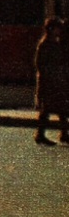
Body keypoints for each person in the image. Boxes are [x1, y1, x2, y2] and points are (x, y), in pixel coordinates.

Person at [33, 17, 69, 145]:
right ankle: (40, 135)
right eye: (57, 28)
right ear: (51, 29)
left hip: (57, 80)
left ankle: (64, 133)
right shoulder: (45, 44)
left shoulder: (55, 43)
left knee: (62, 108)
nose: (59, 30)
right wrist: (50, 75)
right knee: (47, 109)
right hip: (48, 82)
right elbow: (39, 63)